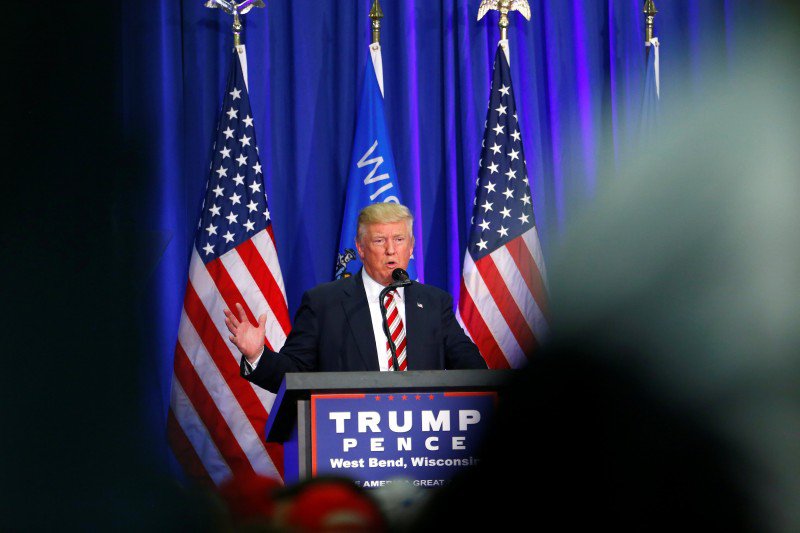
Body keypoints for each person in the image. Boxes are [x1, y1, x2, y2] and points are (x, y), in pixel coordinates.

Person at [224, 202, 487, 393]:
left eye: (399, 239)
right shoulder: (324, 303)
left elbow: (472, 369)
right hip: (351, 443)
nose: (391, 250)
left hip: (423, 437)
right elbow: (293, 376)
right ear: (360, 249)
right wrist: (257, 354)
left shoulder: (432, 302)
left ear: (412, 246)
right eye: (379, 241)